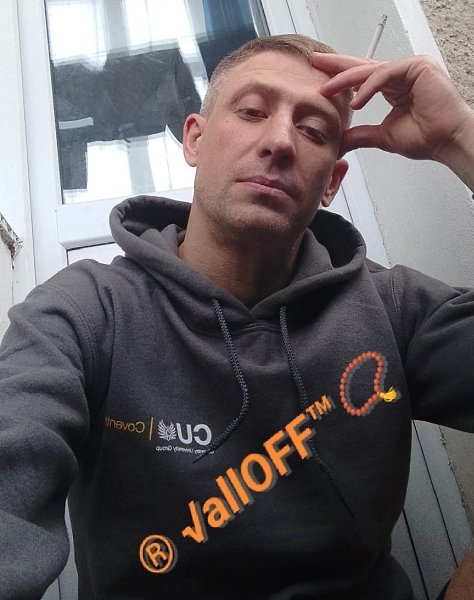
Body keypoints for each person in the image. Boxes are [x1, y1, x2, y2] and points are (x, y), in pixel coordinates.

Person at [0, 33, 473, 600]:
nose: (279, 141)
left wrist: (459, 137)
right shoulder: (85, 311)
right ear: (194, 139)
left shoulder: (394, 309)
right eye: (251, 111)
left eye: (313, 130)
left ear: (332, 182)